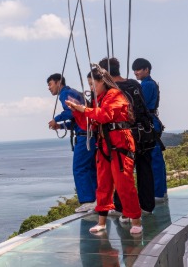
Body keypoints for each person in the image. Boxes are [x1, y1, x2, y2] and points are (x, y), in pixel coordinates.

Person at [66, 65, 143, 235]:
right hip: (105, 144)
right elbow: (90, 122)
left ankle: (135, 220)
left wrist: (83, 109)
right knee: (103, 184)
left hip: (120, 143)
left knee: (124, 183)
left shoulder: (115, 95)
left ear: (102, 81)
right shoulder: (98, 100)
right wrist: (78, 112)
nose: (91, 88)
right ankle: (102, 221)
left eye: (93, 84)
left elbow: (104, 115)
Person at [98, 57, 156, 217]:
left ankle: (122, 209)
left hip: (122, 137)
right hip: (143, 134)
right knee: (145, 170)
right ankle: (147, 206)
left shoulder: (110, 90)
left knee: (122, 174)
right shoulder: (134, 84)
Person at [47, 73, 97, 213]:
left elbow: (70, 112)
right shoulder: (74, 92)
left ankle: (87, 201)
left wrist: (56, 119)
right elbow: (77, 119)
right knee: (90, 168)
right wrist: (61, 126)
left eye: (50, 84)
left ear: (58, 82)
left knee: (79, 168)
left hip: (84, 136)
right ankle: (97, 199)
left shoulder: (65, 93)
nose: (49, 88)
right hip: (90, 134)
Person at [132, 57, 168, 203]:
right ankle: (159, 192)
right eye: (134, 70)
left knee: (154, 158)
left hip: (148, 122)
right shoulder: (148, 84)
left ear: (146, 69)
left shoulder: (146, 85)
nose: (136, 72)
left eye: (139, 69)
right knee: (154, 158)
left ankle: (158, 193)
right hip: (151, 121)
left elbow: (141, 106)